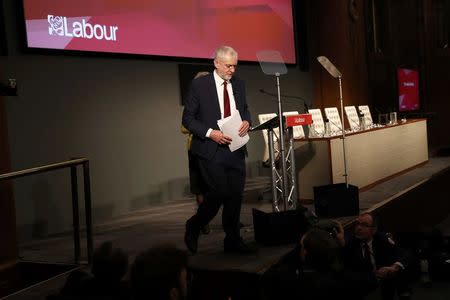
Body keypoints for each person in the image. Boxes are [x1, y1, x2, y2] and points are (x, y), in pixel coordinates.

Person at [182, 45, 253, 254]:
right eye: (228, 66)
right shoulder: (200, 85)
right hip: (210, 148)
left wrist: (247, 120)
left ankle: (233, 240)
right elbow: (187, 119)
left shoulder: (239, 84)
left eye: (234, 66)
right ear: (216, 63)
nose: (232, 70)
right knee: (220, 192)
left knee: (235, 195)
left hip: (236, 146)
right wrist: (210, 132)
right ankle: (194, 225)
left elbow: (245, 108)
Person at [343, 212, 413, 300]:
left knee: (399, 265)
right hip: (364, 283)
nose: (359, 228)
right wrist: (376, 275)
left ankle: (404, 293)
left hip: (385, 281)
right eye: (357, 224)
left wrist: (394, 267)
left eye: (364, 225)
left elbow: (404, 254)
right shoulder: (350, 244)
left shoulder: (381, 238)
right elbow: (347, 274)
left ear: (374, 230)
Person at [181, 71, 211, 235]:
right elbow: (184, 127)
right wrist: (203, 128)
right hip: (196, 149)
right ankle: (202, 221)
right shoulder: (192, 103)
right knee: (199, 188)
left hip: (214, 149)